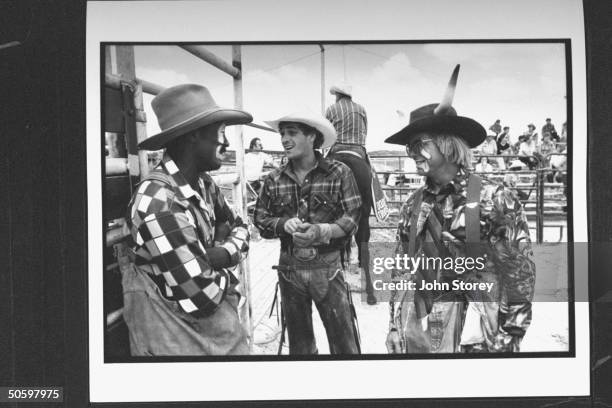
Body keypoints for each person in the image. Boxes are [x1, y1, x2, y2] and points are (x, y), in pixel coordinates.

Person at [384, 65, 535, 354]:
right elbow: (401, 266)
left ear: (446, 143)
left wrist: (509, 336)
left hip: (473, 332)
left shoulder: (494, 198)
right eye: (408, 148)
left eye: (419, 144)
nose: (412, 154)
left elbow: (519, 272)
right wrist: (393, 325)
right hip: (415, 323)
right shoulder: (412, 204)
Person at [123, 84, 252, 355]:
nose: (226, 142)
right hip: (176, 344)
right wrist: (228, 263)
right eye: (221, 133)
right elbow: (201, 297)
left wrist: (219, 256)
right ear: (194, 135)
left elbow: (241, 227)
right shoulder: (159, 202)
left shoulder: (205, 185)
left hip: (197, 335)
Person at [254, 112, 362, 354]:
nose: (284, 139)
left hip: (327, 265)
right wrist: (283, 224)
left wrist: (321, 231)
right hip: (289, 266)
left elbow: (352, 217)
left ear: (312, 136)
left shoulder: (339, 172)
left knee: (344, 343)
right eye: (282, 133)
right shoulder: (274, 179)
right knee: (300, 345)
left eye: (292, 132)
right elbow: (260, 220)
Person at [325, 82, 377, 305]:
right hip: (359, 155)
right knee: (363, 221)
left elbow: (325, 135)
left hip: (336, 154)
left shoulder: (331, 109)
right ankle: (370, 289)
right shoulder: (362, 109)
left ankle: (332, 280)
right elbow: (365, 134)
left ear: (336, 95)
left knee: (327, 213)